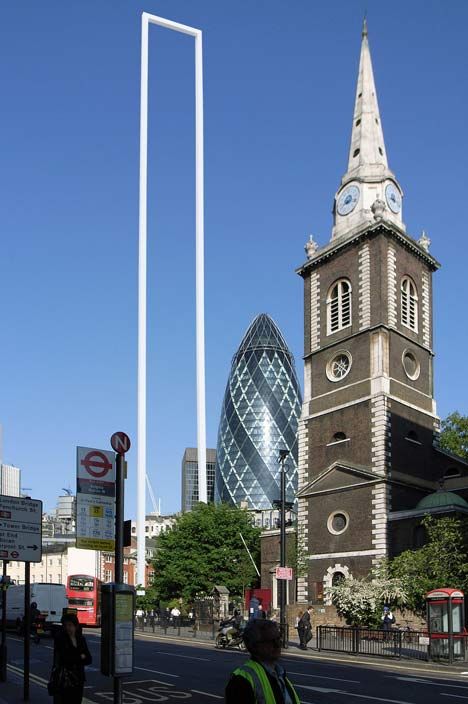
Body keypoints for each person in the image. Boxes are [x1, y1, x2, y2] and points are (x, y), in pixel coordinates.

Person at [225, 619, 300, 703]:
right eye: (270, 641)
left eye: (278, 638)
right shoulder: (241, 680)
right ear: (254, 645)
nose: (277, 644)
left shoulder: (279, 673)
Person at [50, 613, 92, 704]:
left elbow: (89, 659)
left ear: (75, 626)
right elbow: (65, 659)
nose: (67, 628)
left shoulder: (81, 639)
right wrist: (80, 656)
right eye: (65, 625)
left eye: (70, 625)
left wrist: (75, 657)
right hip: (64, 679)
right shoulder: (60, 638)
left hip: (78, 679)